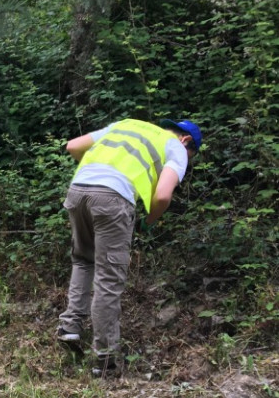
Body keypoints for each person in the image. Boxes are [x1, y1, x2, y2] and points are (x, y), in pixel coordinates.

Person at [56, 118, 202, 376]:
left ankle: (70, 327)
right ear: (187, 140)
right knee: (108, 277)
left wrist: (96, 177)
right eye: (191, 157)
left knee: (83, 259)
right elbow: (162, 195)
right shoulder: (177, 147)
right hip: (113, 199)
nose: (187, 162)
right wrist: (149, 221)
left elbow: (73, 146)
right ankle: (106, 360)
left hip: (78, 191)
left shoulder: (127, 125)